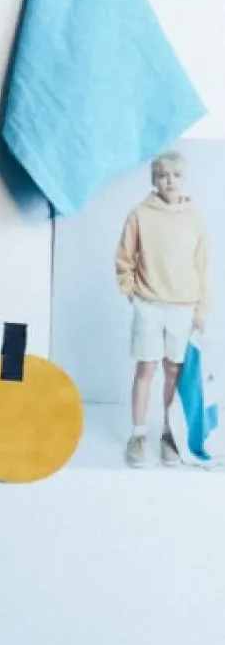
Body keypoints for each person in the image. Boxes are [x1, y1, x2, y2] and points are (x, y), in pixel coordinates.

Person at [115, 150, 210, 468]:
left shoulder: (194, 218)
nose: (170, 181)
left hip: (183, 308)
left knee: (174, 371)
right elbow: (124, 258)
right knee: (146, 368)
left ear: (185, 179)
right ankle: (138, 434)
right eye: (163, 175)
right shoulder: (139, 214)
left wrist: (201, 310)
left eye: (176, 175)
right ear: (155, 179)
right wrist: (132, 293)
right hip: (149, 305)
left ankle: (169, 433)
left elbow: (202, 268)